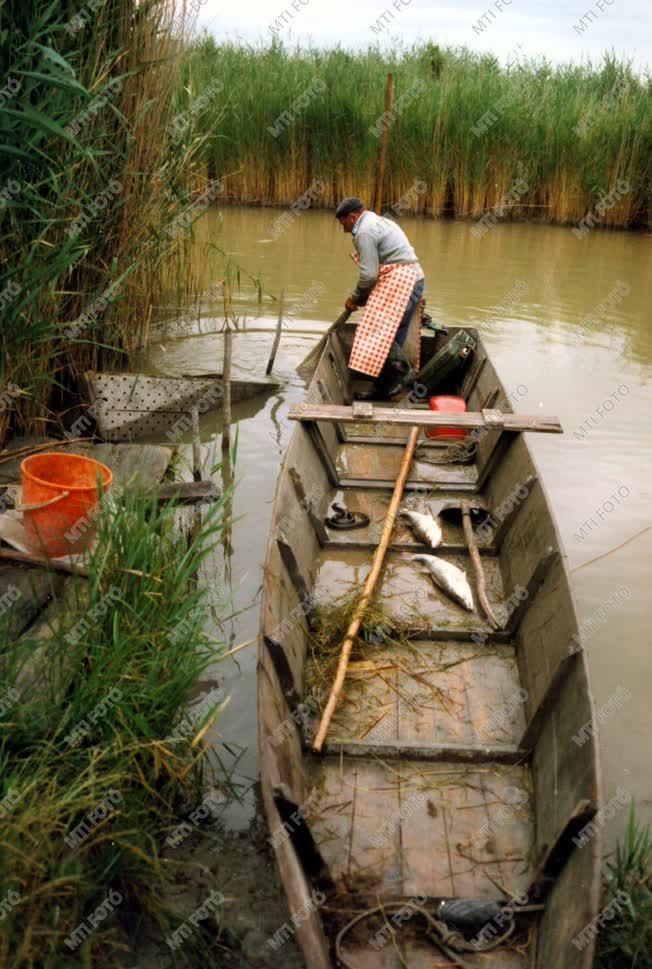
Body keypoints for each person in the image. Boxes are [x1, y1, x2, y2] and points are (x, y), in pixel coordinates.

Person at [335, 197, 425, 398]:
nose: (344, 230)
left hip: (404, 282)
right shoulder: (377, 220)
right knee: (392, 333)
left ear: (353, 216)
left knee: (376, 328)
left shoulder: (364, 232)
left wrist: (355, 298)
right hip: (413, 279)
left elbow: (368, 276)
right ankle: (385, 388)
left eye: (344, 224)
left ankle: (403, 372)